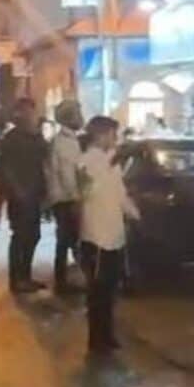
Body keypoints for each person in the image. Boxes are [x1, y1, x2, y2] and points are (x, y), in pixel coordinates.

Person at [77, 116, 140, 355]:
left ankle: (107, 334)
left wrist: (135, 214)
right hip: (96, 236)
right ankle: (96, 338)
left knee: (110, 289)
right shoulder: (86, 161)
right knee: (97, 291)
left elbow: (120, 195)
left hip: (114, 235)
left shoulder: (110, 163)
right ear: (101, 135)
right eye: (114, 135)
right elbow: (87, 189)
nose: (116, 139)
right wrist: (114, 161)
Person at [1, 98, 47, 293]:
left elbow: (46, 154)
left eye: (32, 111)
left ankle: (25, 276)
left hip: (35, 192)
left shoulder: (35, 137)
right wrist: (16, 190)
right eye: (27, 112)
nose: (31, 116)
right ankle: (16, 279)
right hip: (20, 195)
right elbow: (6, 167)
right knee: (20, 236)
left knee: (34, 235)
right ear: (19, 114)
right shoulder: (11, 138)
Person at [46, 100, 85, 295]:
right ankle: (64, 282)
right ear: (70, 117)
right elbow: (68, 174)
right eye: (78, 113)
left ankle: (64, 280)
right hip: (66, 199)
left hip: (63, 198)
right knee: (69, 239)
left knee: (66, 239)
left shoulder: (67, 140)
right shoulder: (65, 143)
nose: (81, 117)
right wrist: (76, 199)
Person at [0, 121, 15, 231]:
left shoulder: (15, 142)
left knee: (12, 200)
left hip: (13, 176)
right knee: (1, 199)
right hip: (3, 175)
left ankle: (11, 221)